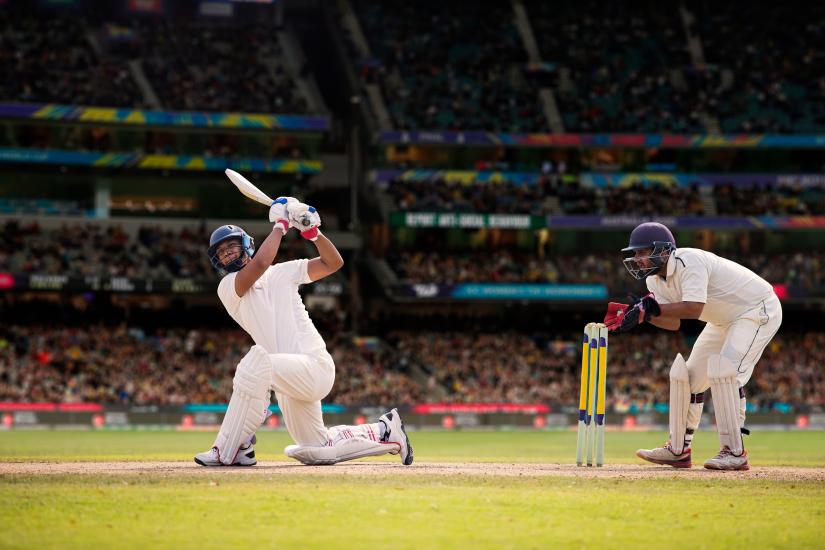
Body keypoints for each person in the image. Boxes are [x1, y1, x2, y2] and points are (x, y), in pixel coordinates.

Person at [195, 198, 413, 466]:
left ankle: (231, 448)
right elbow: (261, 262)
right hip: (287, 379)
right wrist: (281, 225)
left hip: (314, 365)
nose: (227, 253)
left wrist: (314, 233)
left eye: (231, 245)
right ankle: (386, 431)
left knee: (255, 362)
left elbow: (333, 263)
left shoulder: (284, 272)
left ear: (246, 245)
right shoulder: (228, 286)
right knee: (316, 449)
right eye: (221, 251)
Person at [604, 222, 781, 470]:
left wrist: (650, 309)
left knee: (727, 374)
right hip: (720, 321)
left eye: (642, 252)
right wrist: (643, 316)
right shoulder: (654, 281)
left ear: (664, 250)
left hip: (756, 310)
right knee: (689, 378)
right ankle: (679, 448)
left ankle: (735, 451)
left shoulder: (690, 261)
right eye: (635, 253)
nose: (638, 259)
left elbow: (693, 308)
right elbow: (674, 323)